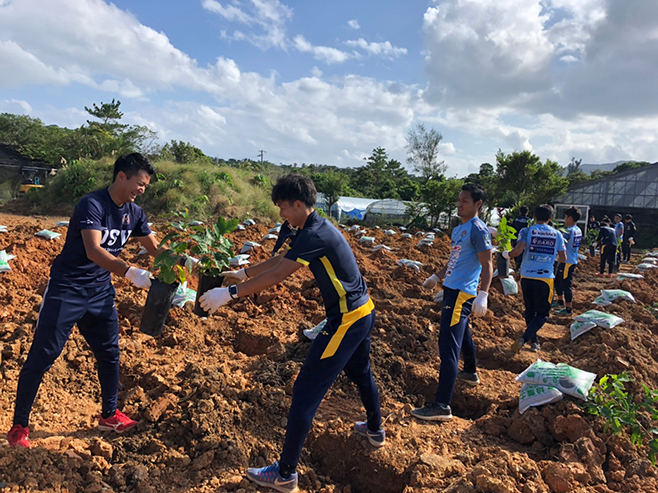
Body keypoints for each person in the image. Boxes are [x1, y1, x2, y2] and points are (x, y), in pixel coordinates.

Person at [199, 174, 384, 493]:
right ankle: (375, 429)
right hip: (363, 310)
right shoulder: (314, 228)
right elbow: (279, 260)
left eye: (283, 208)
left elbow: (280, 275)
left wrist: (229, 294)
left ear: (299, 204)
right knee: (361, 371)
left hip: (346, 319)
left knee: (305, 390)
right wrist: (243, 273)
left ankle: (285, 474)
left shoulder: (315, 234)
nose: (281, 214)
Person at [7, 153, 160, 448]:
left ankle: (109, 414)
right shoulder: (92, 204)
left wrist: (186, 260)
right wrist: (132, 273)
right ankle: (19, 427)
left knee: (109, 353)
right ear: (121, 177)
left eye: (145, 186)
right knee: (43, 355)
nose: (141, 190)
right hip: (68, 289)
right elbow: (94, 250)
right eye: (139, 184)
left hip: (100, 292)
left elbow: (154, 248)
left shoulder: (134, 213)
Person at [412, 183, 493, 422]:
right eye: (458, 200)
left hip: (461, 294)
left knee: (448, 345)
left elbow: (487, 264)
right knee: (462, 332)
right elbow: (455, 260)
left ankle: (441, 405)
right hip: (451, 289)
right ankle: (469, 372)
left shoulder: (479, 230)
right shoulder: (460, 230)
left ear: (478, 204)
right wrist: (438, 276)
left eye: (464, 201)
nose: (459, 204)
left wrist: (483, 293)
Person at [506, 204, 566, 353]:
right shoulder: (557, 234)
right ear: (550, 218)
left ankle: (534, 341)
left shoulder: (526, 231)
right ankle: (525, 338)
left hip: (527, 276)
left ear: (534, 217)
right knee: (542, 314)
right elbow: (563, 258)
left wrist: (505, 254)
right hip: (545, 278)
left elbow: (518, 251)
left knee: (530, 310)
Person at [553, 207, 582, 315]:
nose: (564, 219)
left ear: (570, 218)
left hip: (567, 261)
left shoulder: (568, 231)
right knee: (559, 281)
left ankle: (568, 308)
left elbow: (559, 242)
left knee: (566, 284)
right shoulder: (578, 230)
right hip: (571, 259)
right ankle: (560, 301)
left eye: (565, 217)